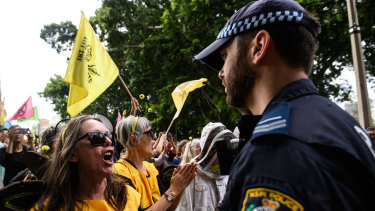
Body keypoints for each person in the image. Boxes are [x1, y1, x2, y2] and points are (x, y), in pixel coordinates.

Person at [194, 0, 375, 210]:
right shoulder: (342, 124)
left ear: (258, 47)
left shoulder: (274, 151)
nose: (221, 72)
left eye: (225, 56)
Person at [113, 115, 197, 210]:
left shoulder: (150, 168)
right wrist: (173, 190)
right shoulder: (119, 171)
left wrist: (179, 189)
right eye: (150, 133)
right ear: (133, 140)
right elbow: (168, 197)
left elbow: (168, 208)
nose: (155, 137)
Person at [176, 122, 234, 211]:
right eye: (212, 141)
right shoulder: (190, 172)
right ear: (205, 144)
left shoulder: (229, 172)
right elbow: (184, 207)